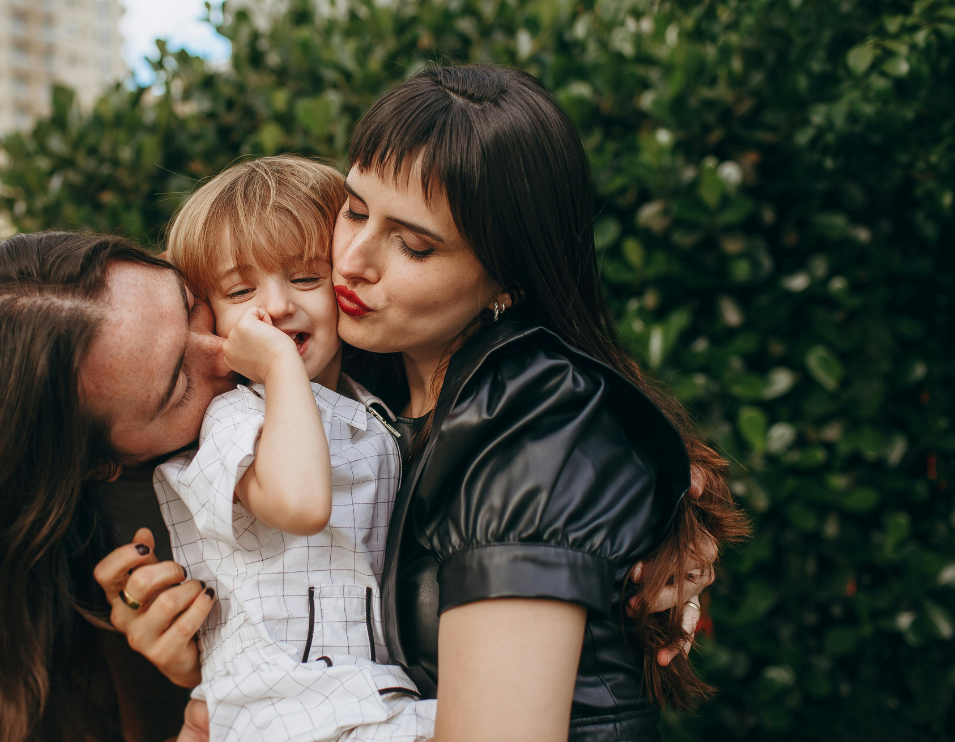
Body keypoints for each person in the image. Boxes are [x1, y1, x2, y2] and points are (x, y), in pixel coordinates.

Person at [107, 65, 748, 741]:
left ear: (507, 277)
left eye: (413, 245)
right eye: (353, 210)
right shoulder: (361, 386)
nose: (352, 259)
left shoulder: (529, 421)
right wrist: (212, 645)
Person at [150, 155, 436, 742]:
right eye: (240, 290)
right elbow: (299, 505)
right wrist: (279, 363)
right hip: (283, 702)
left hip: (364, 695)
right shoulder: (232, 418)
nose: (277, 306)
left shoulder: (369, 408)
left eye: (306, 277)